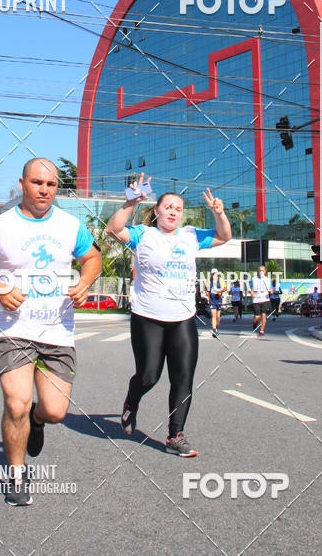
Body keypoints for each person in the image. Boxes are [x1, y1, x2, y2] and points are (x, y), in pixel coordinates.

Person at [0, 158, 101, 506]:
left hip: (58, 331)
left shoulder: (70, 225)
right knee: (16, 402)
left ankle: (37, 422)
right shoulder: (0, 227)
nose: (44, 190)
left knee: (54, 411)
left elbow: (93, 257)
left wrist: (85, 282)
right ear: (22, 182)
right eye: (37, 183)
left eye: (51, 185)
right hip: (14, 330)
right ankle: (17, 473)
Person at [106, 176, 231, 457]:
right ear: (158, 211)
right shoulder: (143, 235)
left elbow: (224, 236)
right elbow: (114, 230)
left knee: (183, 377)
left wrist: (219, 214)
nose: (173, 211)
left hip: (183, 318)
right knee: (149, 376)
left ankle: (176, 435)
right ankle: (131, 401)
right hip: (147, 317)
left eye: (178, 208)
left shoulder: (191, 236)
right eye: (168, 207)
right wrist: (130, 202)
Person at [251, 265, 271, 336]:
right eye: (260, 271)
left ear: (265, 272)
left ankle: (262, 330)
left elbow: (271, 288)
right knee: (257, 317)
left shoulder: (268, 280)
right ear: (258, 271)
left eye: (263, 271)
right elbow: (249, 287)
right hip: (256, 299)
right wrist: (251, 293)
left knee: (263, 315)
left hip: (265, 299)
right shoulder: (254, 279)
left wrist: (271, 291)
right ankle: (255, 324)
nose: (261, 272)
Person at [207, 268, 225, 338]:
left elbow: (225, 288)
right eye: (213, 274)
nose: (214, 275)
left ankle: (216, 327)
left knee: (218, 317)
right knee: (213, 316)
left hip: (219, 300)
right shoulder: (209, 281)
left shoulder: (220, 280)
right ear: (211, 274)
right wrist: (207, 293)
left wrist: (221, 291)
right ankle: (214, 329)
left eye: (215, 273)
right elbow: (207, 289)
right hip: (212, 300)